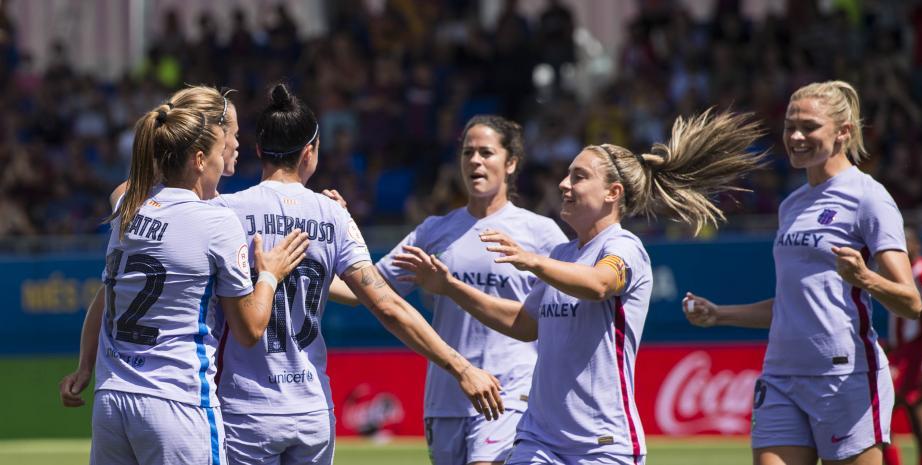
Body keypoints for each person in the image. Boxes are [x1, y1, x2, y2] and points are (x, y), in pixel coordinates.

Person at [393, 108, 766, 465]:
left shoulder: (624, 248)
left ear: (612, 193)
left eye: (578, 176)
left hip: (601, 443)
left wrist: (532, 260)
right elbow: (523, 323)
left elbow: (600, 284)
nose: (564, 184)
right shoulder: (563, 252)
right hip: (539, 438)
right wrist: (449, 286)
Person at [209, 84, 506, 465]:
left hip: (245, 410)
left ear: (257, 151)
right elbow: (387, 306)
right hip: (311, 411)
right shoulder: (333, 215)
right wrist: (461, 367)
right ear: (310, 152)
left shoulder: (225, 211)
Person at [61, 86, 310, 464]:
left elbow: (108, 293)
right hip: (176, 401)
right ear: (200, 155)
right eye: (230, 136)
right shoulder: (216, 221)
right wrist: (270, 275)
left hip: (111, 401)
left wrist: (85, 364)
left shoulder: (127, 205)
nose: (235, 145)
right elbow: (248, 329)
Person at [683, 81, 922, 465]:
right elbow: (792, 304)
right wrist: (719, 314)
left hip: (845, 377)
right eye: (789, 126)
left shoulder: (869, 197)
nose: (795, 136)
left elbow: (910, 302)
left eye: (809, 127)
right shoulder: (791, 204)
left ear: (843, 132)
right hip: (780, 374)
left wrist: (865, 278)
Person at [331, 114, 567, 465]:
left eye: (486, 152)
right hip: (446, 395)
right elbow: (362, 292)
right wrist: (328, 239)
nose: (475, 160)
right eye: (468, 152)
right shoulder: (435, 231)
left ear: (511, 162)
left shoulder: (541, 233)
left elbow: (569, 307)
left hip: (511, 388)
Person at [883, 225, 922, 465]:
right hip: (901, 352)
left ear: (917, 245)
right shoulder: (900, 272)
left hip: (916, 354)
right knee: (901, 417)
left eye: (906, 242)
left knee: (908, 416)